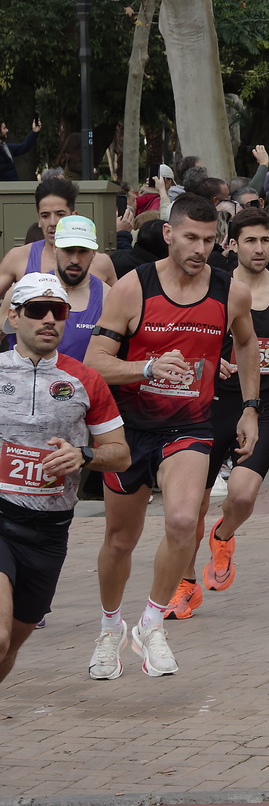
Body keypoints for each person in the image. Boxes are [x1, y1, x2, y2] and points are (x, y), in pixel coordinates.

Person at [82, 194, 262, 678]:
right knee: (120, 540)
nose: (200, 249)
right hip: (128, 429)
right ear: (168, 234)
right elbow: (94, 362)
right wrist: (146, 367)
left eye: (209, 240)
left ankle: (151, 623)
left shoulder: (230, 292)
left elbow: (247, 343)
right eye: (190, 238)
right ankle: (109, 627)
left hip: (189, 426)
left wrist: (250, 408)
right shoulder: (133, 288)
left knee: (183, 521)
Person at [173, 208, 269, 617]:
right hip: (212, 405)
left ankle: (223, 535)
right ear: (233, 244)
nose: (259, 248)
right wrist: (209, 360)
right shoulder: (214, 287)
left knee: (242, 495)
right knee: (193, 507)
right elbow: (184, 336)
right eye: (250, 240)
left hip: (263, 406)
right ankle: (186, 585)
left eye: (265, 240)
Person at [0, 274, 128, 685]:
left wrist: (83, 454)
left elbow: (121, 454)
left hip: (50, 531)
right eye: (37, 310)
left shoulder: (85, 379)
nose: (49, 319)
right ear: (14, 317)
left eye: (58, 311)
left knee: (9, 647)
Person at [0, 215, 107, 360]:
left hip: (82, 375)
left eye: (83, 251)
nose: (75, 260)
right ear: (55, 248)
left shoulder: (108, 297)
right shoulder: (22, 290)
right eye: (68, 250)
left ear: (93, 253)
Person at [0, 176, 119, 298]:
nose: (53, 222)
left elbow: (121, 304)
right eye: (45, 216)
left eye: (60, 214)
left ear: (74, 216)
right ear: (39, 219)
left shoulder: (101, 263)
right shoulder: (18, 258)